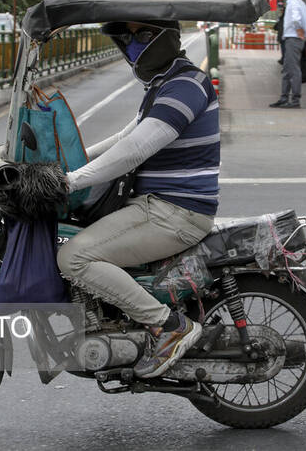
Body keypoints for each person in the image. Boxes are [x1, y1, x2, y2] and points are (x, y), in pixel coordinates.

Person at [57, 20, 219, 379]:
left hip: (174, 211)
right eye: (126, 37)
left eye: (143, 35)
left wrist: (69, 182)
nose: (133, 45)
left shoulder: (186, 85)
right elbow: (123, 137)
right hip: (156, 206)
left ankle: (169, 326)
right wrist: (62, 165)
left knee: (74, 257)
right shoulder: (164, 83)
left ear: (167, 38)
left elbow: (135, 149)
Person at [270, 0, 306, 109]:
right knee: (287, 70)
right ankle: (284, 97)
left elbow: (296, 18)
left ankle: (294, 99)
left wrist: (299, 30)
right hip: (293, 39)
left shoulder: (293, 3)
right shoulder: (299, 2)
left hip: (293, 39)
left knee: (293, 70)